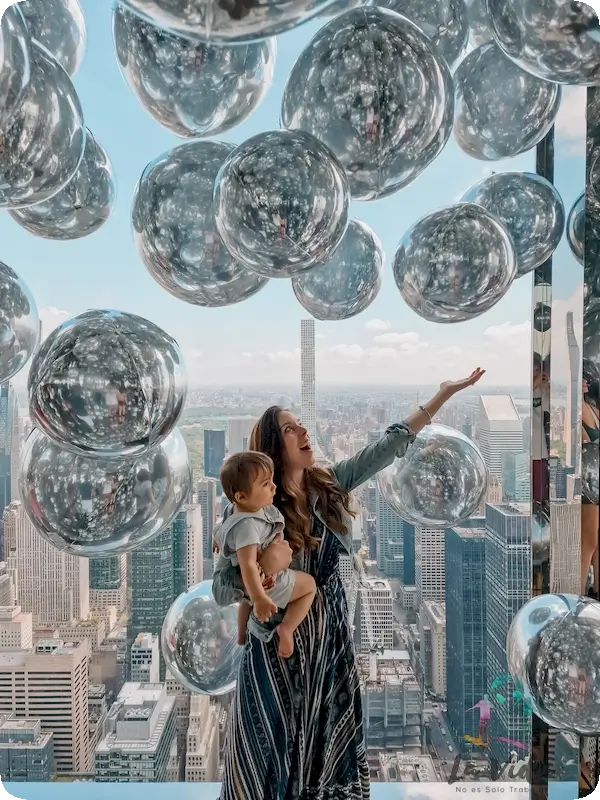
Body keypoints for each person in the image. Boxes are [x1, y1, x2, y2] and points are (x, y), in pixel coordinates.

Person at [212, 367, 485, 800]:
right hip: (276, 654)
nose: (302, 430)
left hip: (329, 644)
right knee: (270, 752)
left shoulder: (328, 487)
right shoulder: (249, 513)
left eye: (300, 423)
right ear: (271, 449)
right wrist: (260, 578)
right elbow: (222, 590)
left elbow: (387, 447)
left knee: (327, 751)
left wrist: (440, 397)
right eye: (288, 429)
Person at [214, 451, 316, 657]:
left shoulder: (237, 510)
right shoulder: (248, 526)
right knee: (309, 587)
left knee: (246, 601)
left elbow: (223, 528)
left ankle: (242, 635)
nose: (274, 487)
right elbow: (248, 565)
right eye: (265, 484)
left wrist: (218, 539)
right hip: (268, 583)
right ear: (242, 496)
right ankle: (287, 628)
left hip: (253, 585)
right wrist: (260, 597)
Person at [581, 370, 600, 596]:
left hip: (597, 480)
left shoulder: (594, 411)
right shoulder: (576, 411)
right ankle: (577, 595)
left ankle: (596, 590)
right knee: (589, 543)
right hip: (588, 484)